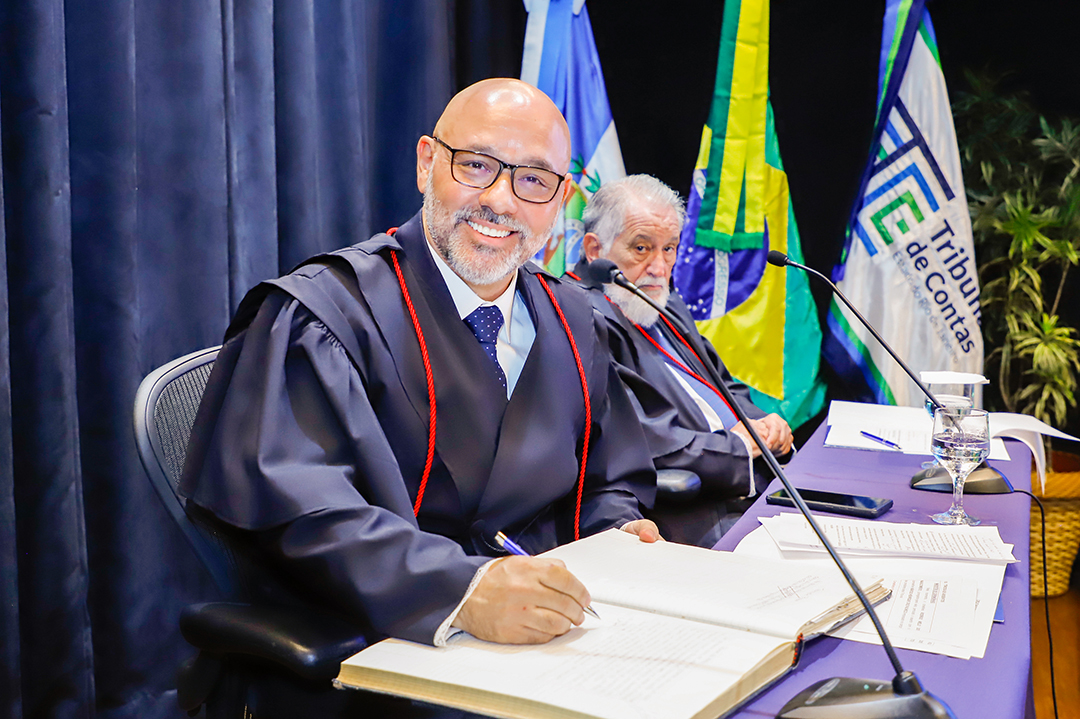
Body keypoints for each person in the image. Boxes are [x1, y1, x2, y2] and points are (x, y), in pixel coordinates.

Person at [180, 78, 660, 664]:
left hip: (559, 635)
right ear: (426, 164)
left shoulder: (574, 319)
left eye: (534, 180)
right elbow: (305, 514)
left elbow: (610, 478)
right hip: (393, 647)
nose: (502, 201)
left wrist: (618, 533)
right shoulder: (325, 315)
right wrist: (461, 590)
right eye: (477, 165)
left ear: (561, 201)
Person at [570, 174, 793, 546]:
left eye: (669, 248)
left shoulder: (664, 304)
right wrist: (740, 447)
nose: (659, 267)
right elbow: (638, 435)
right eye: (642, 248)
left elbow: (722, 384)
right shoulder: (579, 317)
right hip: (697, 508)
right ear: (595, 249)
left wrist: (763, 424)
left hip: (756, 480)